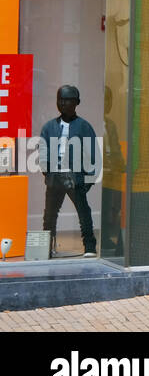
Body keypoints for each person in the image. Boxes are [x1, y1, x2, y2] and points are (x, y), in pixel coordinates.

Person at [39, 85, 97, 257]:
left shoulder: (84, 126)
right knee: (49, 215)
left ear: (76, 102)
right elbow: (43, 150)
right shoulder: (49, 127)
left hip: (75, 177)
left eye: (68, 100)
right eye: (60, 100)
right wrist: (47, 171)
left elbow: (92, 154)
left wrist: (88, 180)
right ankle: (46, 247)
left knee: (83, 212)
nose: (63, 104)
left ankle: (90, 246)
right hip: (54, 177)